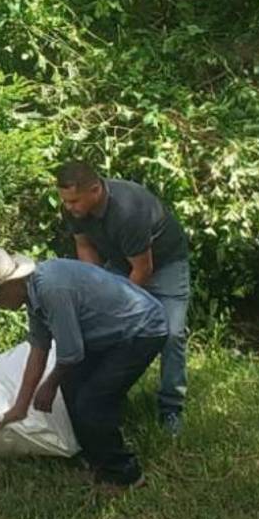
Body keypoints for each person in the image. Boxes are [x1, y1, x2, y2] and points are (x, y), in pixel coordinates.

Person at [0, 248, 168, 491]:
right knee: (73, 387)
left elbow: (71, 353)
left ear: (11, 285)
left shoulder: (51, 290)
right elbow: (39, 349)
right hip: (109, 332)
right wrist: (21, 406)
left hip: (141, 329)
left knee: (93, 401)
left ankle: (125, 476)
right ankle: (96, 458)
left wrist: (49, 385)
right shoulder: (34, 296)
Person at [55, 161, 191, 437]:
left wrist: (117, 306)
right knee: (105, 329)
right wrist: (96, 293)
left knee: (172, 334)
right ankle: (112, 396)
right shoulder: (74, 208)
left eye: (74, 201)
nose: (69, 207)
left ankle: (171, 408)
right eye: (65, 201)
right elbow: (84, 246)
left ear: (95, 190)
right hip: (120, 260)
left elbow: (144, 269)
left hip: (164, 264)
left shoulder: (128, 210)